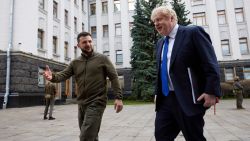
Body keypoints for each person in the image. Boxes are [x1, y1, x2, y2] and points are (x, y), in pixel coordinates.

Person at [151, 6, 221, 141]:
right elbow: (161, 71)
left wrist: (211, 91)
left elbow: (210, 61)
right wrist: (157, 92)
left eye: (159, 19)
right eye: (154, 21)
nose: (156, 24)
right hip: (166, 100)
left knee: (194, 137)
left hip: (187, 99)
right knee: (161, 136)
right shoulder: (160, 43)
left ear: (171, 18)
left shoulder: (192, 32)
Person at [43, 31, 123, 141]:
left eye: (90, 41)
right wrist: (52, 77)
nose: (88, 44)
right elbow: (63, 75)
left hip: (97, 102)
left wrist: (118, 97)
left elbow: (114, 77)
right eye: (84, 42)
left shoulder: (102, 59)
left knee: (85, 136)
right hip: (82, 103)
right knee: (91, 136)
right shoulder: (75, 63)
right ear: (78, 45)